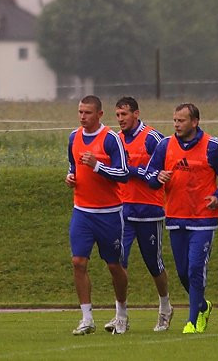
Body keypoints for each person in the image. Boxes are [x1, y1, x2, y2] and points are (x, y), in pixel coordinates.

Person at [146, 103, 218, 335]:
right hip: (175, 217)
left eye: (182, 120)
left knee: (196, 268)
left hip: (203, 219)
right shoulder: (165, 145)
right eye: (175, 120)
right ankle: (203, 306)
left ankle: (192, 321)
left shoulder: (212, 146)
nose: (176, 124)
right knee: (183, 273)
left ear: (195, 122)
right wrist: (158, 177)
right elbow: (150, 175)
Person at [64, 95, 130, 336]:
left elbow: (123, 173)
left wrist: (97, 165)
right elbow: (73, 166)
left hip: (109, 213)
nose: (83, 117)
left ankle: (121, 314)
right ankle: (87, 318)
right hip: (82, 211)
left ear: (100, 114)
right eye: (80, 112)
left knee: (114, 265)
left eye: (88, 112)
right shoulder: (74, 137)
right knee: (78, 262)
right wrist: (70, 177)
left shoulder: (111, 139)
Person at [108, 96, 173, 333]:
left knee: (154, 264)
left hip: (149, 211)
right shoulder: (116, 139)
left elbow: (162, 169)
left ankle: (165, 307)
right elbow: (116, 170)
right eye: (117, 115)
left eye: (124, 114)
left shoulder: (152, 138)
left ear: (136, 114)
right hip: (123, 210)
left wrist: (134, 171)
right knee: (117, 263)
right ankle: (120, 315)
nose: (120, 119)